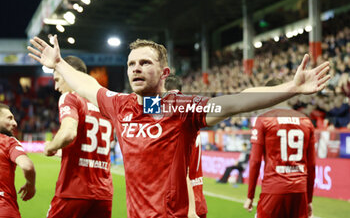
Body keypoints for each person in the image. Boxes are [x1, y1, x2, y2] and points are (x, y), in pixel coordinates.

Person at [28, 35, 329, 217]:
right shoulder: (121, 106)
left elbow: (236, 100)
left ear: (164, 72)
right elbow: (86, 85)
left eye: (145, 63)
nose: (136, 69)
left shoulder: (180, 109)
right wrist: (58, 64)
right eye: (132, 64)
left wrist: (291, 87)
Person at [43, 56, 114, 218]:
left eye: (57, 79)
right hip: (103, 194)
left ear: (69, 74)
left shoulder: (71, 97)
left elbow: (68, 133)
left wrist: (51, 147)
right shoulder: (105, 104)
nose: (56, 86)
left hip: (74, 190)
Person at [244, 78, 316, 218]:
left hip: (273, 189)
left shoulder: (263, 119)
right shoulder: (306, 120)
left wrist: (250, 196)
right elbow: (312, 165)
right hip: (300, 192)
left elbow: (255, 161)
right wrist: (309, 199)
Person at [165, 74, 208, 218]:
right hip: (199, 200)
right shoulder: (190, 114)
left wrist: (190, 210)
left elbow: (182, 172)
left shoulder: (171, 117)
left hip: (183, 205)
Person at [0, 103, 36, 218]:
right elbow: (27, 166)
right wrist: (30, 185)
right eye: (9, 118)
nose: (15, 123)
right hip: (5, 209)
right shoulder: (8, 142)